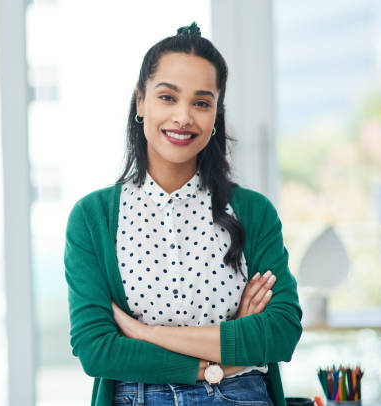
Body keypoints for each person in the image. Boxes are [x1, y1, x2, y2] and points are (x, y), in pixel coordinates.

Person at [64, 22, 302, 406]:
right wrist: (219, 359)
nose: (183, 116)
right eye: (168, 97)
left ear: (215, 115)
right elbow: (98, 349)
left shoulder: (253, 212)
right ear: (141, 102)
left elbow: (281, 332)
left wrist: (143, 333)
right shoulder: (92, 218)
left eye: (202, 102)